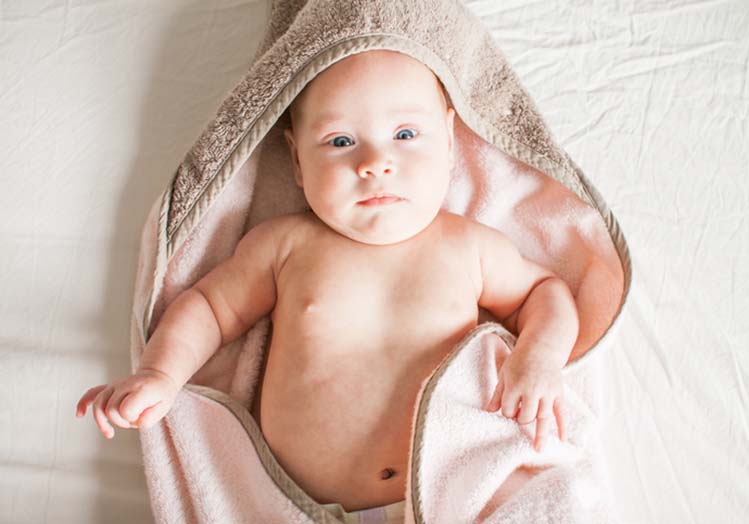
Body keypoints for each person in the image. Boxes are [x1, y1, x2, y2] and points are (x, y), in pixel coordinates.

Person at [75, 49, 579, 517]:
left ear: (449, 142)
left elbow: (545, 293)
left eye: (405, 134)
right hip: (296, 505)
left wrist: (538, 357)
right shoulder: (285, 246)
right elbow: (209, 307)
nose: (374, 163)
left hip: (459, 497)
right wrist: (161, 374)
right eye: (341, 141)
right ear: (297, 161)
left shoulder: (470, 246)